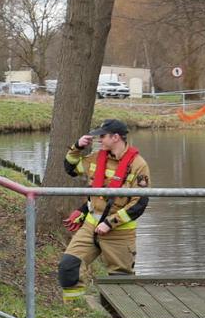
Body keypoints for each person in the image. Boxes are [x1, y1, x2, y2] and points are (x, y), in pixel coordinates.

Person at [56, 119, 150, 299]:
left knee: (122, 284)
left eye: (103, 136)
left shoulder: (139, 165)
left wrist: (110, 223)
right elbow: (70, 168)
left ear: (116, 138)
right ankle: (78, 312)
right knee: (68, 267)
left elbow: (139, 203)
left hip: (120, 232)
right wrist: (77, 147)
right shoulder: (96, 158)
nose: (99, 139)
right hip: (91, 227)